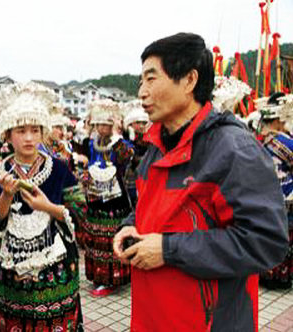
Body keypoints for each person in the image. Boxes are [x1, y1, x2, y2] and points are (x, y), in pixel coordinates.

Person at [113, 32, 288, 332]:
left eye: (151, 78)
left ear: (190, 80)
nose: (141, 91)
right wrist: (131, 223)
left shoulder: (234, 149)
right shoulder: (156, 145)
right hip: (152, 317)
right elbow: (148, 203)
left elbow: (266, 241)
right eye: (141, 81)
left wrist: (168, 250)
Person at [0, 82, 86, 331]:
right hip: (12, 276)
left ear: (43, 133)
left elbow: (81, 212)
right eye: (20, 130)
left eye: (35, 130)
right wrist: (6, 196)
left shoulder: (59, 168)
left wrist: (48, 207)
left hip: (57, 271)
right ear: (7, 134)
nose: (29, 138)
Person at [83, 99, 135, 297]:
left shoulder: (120, 144)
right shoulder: (91, 143)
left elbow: (127, 156)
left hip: (115, 198)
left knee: (111, 236)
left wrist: (116, 137)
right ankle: (99, 276)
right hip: (97, 198)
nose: (101, 127)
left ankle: (114, 278)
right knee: (96, 238)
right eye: (98, 124)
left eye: (105, 123)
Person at [256, 92, 293, 290]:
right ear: (278, 120)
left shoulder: (257, 137)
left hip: (264, 195)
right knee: (284, 236)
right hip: (284, 197)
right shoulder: (284, 143)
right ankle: (280, 277)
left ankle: (266, 273)